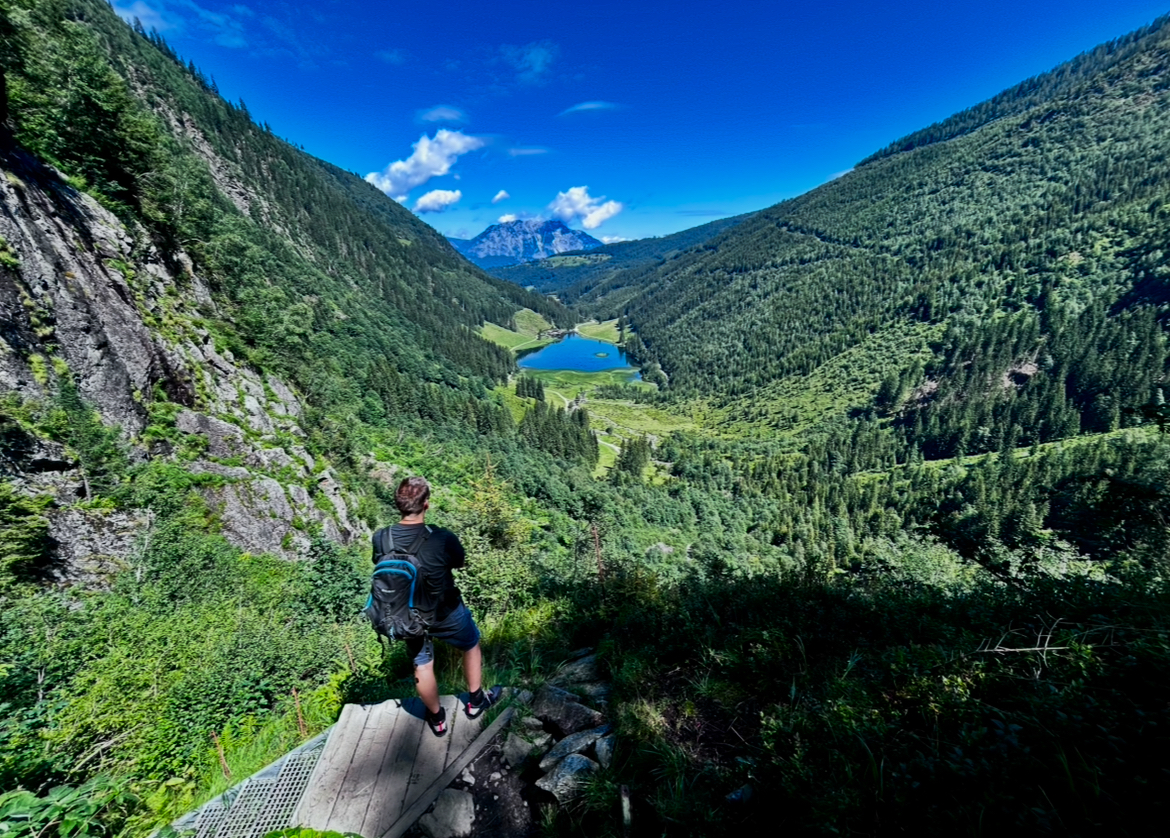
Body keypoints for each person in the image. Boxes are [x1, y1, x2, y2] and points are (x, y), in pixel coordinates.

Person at [380, 475, 500, 737]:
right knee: (470, 644)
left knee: (422, 665)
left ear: (398, 505)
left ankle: (437, 719)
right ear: (426, 505)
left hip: (405, 615)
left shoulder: (382, 537)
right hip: (444, 611)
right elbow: (459, 562)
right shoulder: (441, 537)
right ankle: (476, 701)